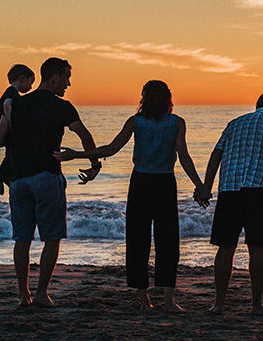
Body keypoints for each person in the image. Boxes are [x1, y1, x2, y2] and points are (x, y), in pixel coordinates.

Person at [53, 80, 205, 312]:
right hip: (163, 183)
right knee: (167, 241)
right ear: (168, 98)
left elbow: (111, 149)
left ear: (144, 98)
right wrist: (199, 185)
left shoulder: (138, 122)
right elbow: (183, 157)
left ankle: (142, 296)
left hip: (142, 183)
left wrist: (78, 155)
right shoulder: (175, 122)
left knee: (138, 240)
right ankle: (168, 300)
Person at [0, 57, 102, 308]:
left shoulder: (16, 104)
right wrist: (95, 165)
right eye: (66, 78)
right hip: (46, 178)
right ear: (54, 77)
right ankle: (41, 293)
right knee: (51, 237)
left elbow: (0, 141)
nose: (69, 83)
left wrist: (8, 119)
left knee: (22, 239)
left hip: (19, 180)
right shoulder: (62, 106)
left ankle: (23, 295)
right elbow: (85, 135)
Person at [197, 92, 263, 315]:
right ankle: (257, 304)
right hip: (259, 187)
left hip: (229, 188)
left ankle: (218, 304)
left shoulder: (235, 122)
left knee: (225, 246)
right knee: (257, 246)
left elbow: (216, 154)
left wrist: (206, 187)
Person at [0, 64, 35, 195]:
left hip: (6, 129)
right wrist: (14, 124)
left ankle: (4, 177)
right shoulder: (12, 93)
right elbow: (7, 106)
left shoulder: (10, 92)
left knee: (11, 154)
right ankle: (0, 177)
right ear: (22, 79)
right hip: (6, 129)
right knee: (12, 153)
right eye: (30, 82)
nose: (31, 87)